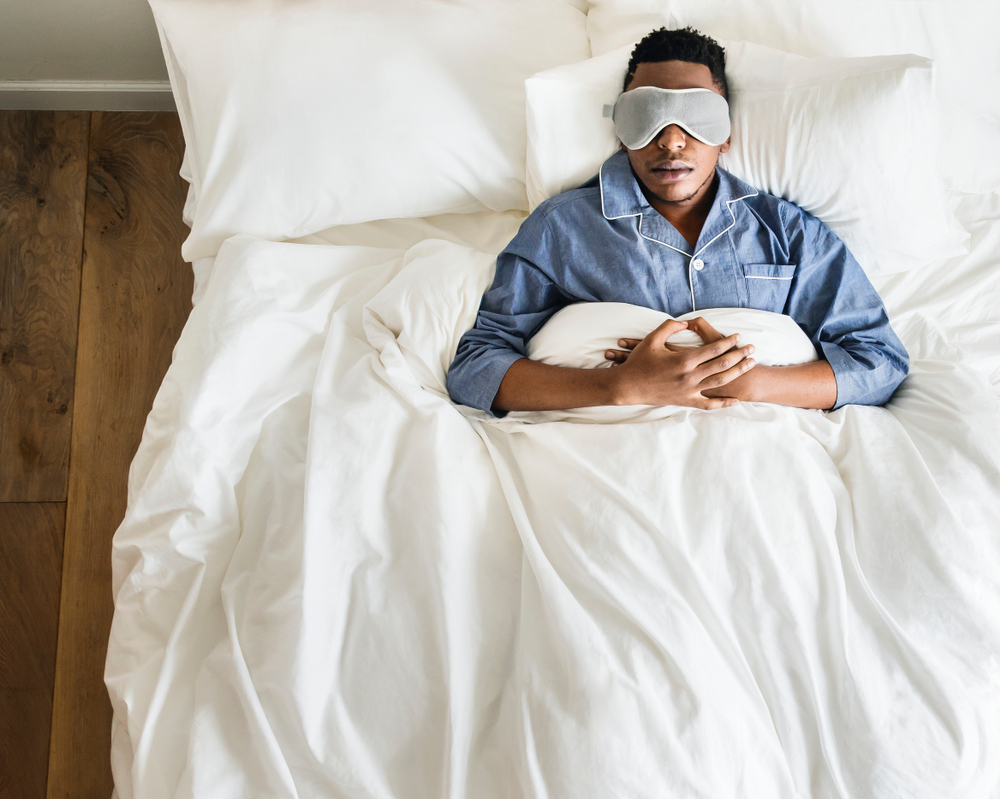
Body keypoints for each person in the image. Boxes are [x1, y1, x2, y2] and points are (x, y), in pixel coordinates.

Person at [446, 26, 909, 416]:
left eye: (694, 117)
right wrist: (620, 387)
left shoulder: (788, 232)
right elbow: (476, 368)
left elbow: (879, 362)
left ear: (725, 135)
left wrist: (746, 383)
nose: (671, 141)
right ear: (622, 130)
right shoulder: (560, 228)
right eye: (646, 115)